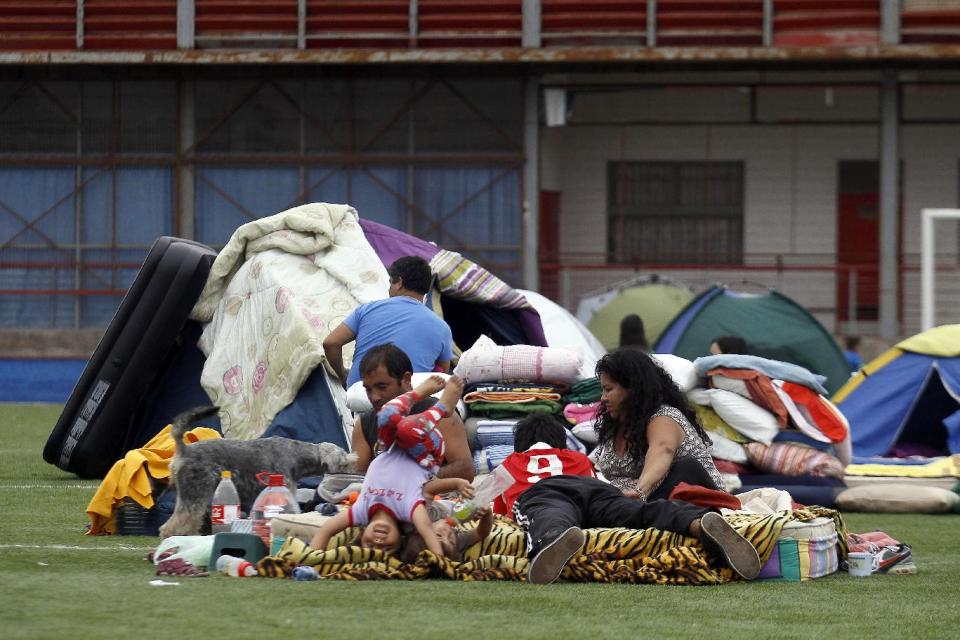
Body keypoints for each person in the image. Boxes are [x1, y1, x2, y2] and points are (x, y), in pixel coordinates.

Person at [491, 414, 760, 584]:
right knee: (641, 513)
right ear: (561, 444)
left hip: (541, 493)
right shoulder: (578, 458)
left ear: (520, 446)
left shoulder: (509, 463)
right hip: (593, 490)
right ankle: (696, 522)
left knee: (549, 515)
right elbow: (602, 483)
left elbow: (496, 510)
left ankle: (553, 539)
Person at [308, 374, 470, 556]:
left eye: (371, 546)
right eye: (387, 548)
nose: (378, 542)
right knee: (407, 430)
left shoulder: (361, 510)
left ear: (362, 534)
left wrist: (313, 560)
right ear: (400, 539)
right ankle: (443, 407)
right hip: (427, 453)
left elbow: (326, 530)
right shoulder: (408, 509)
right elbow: (426, 530)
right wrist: (440, 562)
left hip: (390, 447)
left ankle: (418, 393)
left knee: (385, 416)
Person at [591, 348, 725, 500]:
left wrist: (640, 491)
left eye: (608, 389)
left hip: (687, 498)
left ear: (633, 389)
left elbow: (663, 449)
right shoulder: (615, 425)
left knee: (688, 467)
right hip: (632, 504)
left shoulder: (664, 416)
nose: (603, 398)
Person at [323, 255, 453, 388]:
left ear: (400, 283)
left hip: (360, 392)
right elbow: (441, 371)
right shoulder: (442, 328)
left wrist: (342, 374)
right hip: (406, 399)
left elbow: (330, 343)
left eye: (391, 282)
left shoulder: (367, 309)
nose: (389, 289)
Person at [351, 344, 474, 481]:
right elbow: (357, 479)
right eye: (368, 389)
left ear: (406, 379)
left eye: (382, 387)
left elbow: (466, 470)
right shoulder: (364, 424)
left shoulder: (441, 417)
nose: (374, 397)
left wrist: (418, 481)